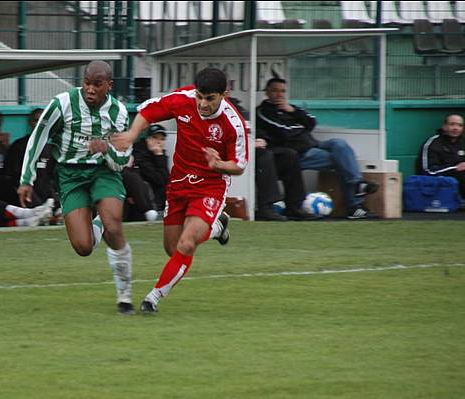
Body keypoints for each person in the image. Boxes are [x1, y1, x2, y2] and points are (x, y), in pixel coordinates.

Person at [111, 67, 248, 314]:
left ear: (223, 94)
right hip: (179, 182)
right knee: (172, 249)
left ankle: (153, 298)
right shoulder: (183, 100)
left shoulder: (233, 124)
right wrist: (132, 134)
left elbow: (239, 165)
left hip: (210, 185)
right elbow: (149, 110)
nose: (202, 104)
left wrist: (217, 164)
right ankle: (217, 227)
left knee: (187, 244)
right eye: (199, 96)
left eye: (210, 98)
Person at [17, 60, 135, 315]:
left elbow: (123, 161)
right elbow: (39, 136)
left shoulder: (119, 113)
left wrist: (108, 149)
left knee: (114, 225)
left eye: (97, 84)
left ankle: (124, 293)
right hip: (70, 174)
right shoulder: (62, 103)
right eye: (86, 83)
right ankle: (97, 224)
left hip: (104, 172)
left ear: (109, 86)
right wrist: (26, 179)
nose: (90, 89)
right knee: (83, 247)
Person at [256, 77, 379, 219]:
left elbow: (312, 122)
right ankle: (354, 205)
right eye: (275, 91)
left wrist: (293, 111)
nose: (280, 94)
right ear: (267, 92)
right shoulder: (262, 112)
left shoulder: (290, 108)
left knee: (339, 144)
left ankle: (357, 184)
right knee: (342, 160)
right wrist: (300, 126)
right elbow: (285, 132)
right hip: (297, 153)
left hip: (312, 145)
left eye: (283, 91)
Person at [5, 108, 58, 209]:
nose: (39, 124)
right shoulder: (18, 147)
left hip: (46, 193)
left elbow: (51, 179)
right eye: (36, 120)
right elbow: (13, 178)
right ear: (30, 122)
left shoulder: (50, 149)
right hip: (25, 193)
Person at [416, 114, 465, 200]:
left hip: (460, 185)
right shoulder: (433, 143)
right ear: (444, 126)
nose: (455, 128)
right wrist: (455, 168)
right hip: (437, 184)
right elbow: (427, 170)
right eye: (452, 124)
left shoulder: (464, 143)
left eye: (459, 125)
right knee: (464, 174)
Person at [121, 124, 170, 221]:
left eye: (162, 139)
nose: (158, 142)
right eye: (155, 138)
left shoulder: (159, 155)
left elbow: (165, 179)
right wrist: (159, 156)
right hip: (138, 203)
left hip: (155, 199)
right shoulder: (139, 153)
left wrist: (159, 156)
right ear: (147, 139)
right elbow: (158, 179)